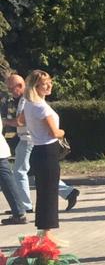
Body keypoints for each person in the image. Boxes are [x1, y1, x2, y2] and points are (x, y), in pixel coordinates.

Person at [22, 70, 64, 242]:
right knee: (49, 193)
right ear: (35, 86)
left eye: (49, 82)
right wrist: (63, 132)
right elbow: (54, 132)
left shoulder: (29, 104)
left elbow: (21, 121)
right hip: (47, 150)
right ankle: (46, 233)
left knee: (44, 192)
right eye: (44, 83)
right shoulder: (40, 107)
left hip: (38, 150)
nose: (49, 86)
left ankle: (44, 231)